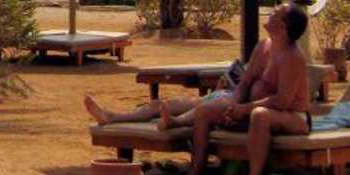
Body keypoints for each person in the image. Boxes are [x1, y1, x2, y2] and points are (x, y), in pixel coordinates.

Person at [170, 4, 311, 175]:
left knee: (260, 115)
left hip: (293, 117)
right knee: (205, 111)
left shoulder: (292, 57)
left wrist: (245, 109)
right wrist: (233, 106)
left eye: (275, 13)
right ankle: (196, 174)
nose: (270, 12)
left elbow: (283, 101)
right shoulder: (263, 47)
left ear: (282, 27)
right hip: (254, 110)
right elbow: (244, 83)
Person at [84, 61, 244, 130]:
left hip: (226, 102)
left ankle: (175, 122)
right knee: (158, 105)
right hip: (218, 95)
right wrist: (220, 85)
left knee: (202, 109)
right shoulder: (251, 62)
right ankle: (112, 117)